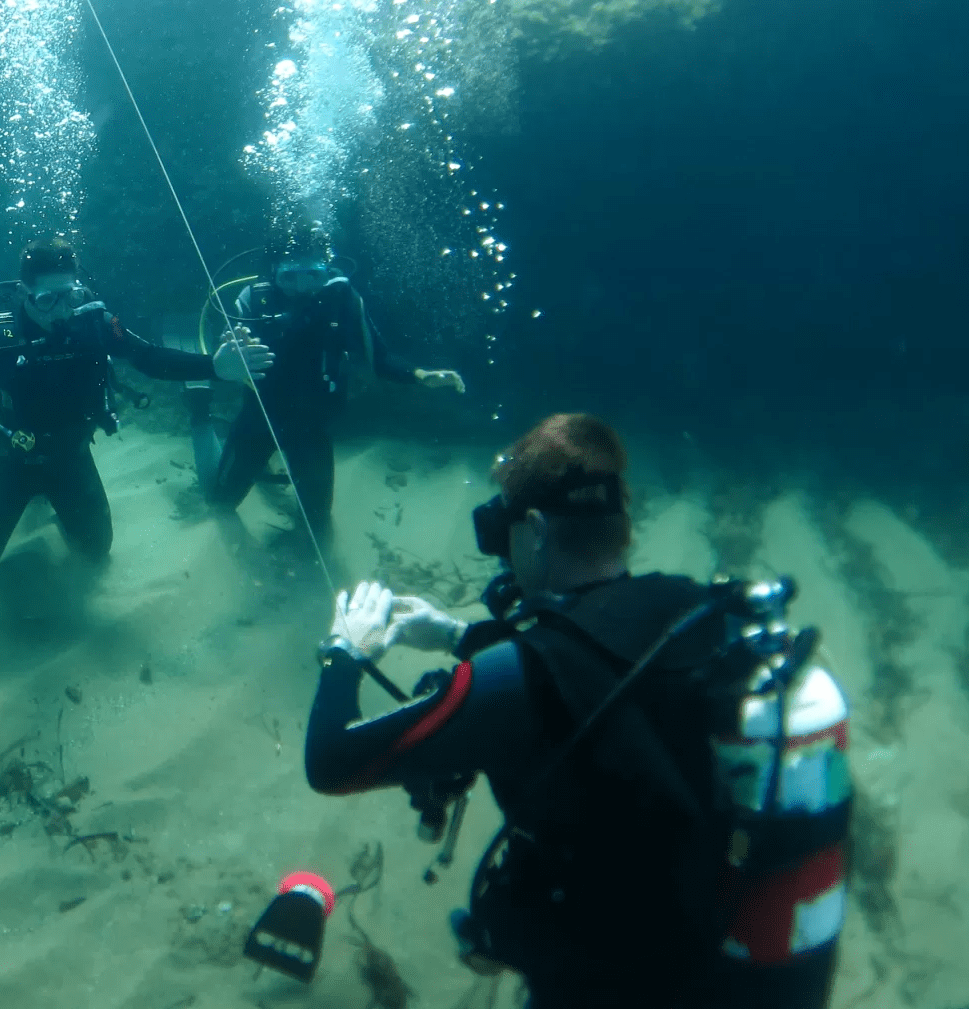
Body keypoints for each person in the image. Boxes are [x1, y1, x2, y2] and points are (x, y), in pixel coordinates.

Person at [302, 414, 849, 1008]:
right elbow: (598, 661)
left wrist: (345, 651)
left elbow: (332, 762)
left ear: (533, 529)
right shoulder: (699, 617)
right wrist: (458, 634)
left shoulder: (516, 679)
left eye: (503, 526)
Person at [0, 238, 276, 573]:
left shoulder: (94, 323)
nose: (61, 311)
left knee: (96, 551)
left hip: (71, 456)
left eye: (69, 295)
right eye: (47, 300)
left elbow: (149, 358)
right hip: (6, 462)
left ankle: (44, 502)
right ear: (24, 294)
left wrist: (215, 367)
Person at [191, 226, 463, 547]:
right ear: (274, 272)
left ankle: (264, 468)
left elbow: (380, 359)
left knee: (318, 523)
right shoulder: (254, 300)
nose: (301, 289)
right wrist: (229, 351)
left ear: (327, 270)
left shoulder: (343, 299)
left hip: (313, 425)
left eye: (312, 276)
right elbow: (225, 354)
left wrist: (419, 375)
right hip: (259, 419)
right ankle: (200, 418)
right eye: (290, 277)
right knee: (220, 502)